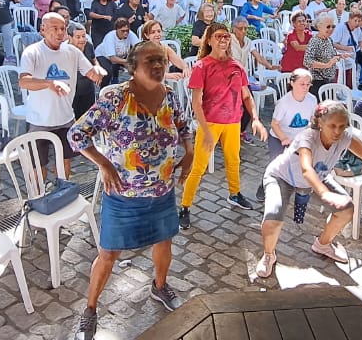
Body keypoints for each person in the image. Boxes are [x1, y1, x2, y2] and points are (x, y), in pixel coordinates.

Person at [69, 41, 192, 339]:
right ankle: (90, 309)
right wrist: (103, 164)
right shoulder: (116, 98)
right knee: (108, 254)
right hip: (123, 196)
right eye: (151, 60)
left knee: (164, 242)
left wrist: (188, 152)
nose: (159, 65)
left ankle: (159, 287)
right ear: (133, 66)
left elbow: (184, 125)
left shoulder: (170, 95)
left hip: (162, 192)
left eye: (162, 59)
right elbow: (77, 135)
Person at [255, 100, 362, 276]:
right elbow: (307, 169)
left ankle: (323, 244)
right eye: (333, 126)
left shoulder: (345, 137)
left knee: (347, 209)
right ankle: (269, 255)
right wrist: (325, 194)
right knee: (273, 218)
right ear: (321, 123)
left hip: (317, 177)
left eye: (342, 126)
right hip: (282, 177)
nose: (338, 131)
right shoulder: (307, 137)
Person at [179, 23, 268, 228]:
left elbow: (247, 96)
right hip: (210, 122)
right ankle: (185, 206)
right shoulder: (202, 66)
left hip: (233, 121)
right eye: (218, 36)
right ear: (209, 40)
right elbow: (196, 103)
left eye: (226, 36)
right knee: (199, 167)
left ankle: (235, 194)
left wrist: (255, 118)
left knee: (233, 160)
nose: (223, 40)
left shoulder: (237, 66)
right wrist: (206, 129)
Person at [20, 13, 105, 179]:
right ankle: (40, 197)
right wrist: (49, 83)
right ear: (42, 29)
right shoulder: (32, 52)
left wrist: (97, 72)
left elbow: (90, 72)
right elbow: (24, 82)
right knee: (38, 163)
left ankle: (63, 191)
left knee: (65, 160)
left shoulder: (72, 52)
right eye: (55, 28)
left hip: (65, 117)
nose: (60, 33)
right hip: (39, 120)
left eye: (63, 29)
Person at [266, 69, 317, 160]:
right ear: (292, 83)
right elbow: (274, 124)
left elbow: (313, 119)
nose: (305, 87)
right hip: (279, 137)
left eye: (308, 84)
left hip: (299, 138)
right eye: (302, 84)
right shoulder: (283, 103)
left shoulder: (312, 99)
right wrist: (285, 139)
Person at [304, 15, 343, 95]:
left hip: (329, 81)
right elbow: (307, 61)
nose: (331, 29)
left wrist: (340, 55)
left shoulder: (329, 39)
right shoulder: (315, 41)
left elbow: (332, 53)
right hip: (317, 83)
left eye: (333, 26)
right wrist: (326, 65)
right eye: (328, 27)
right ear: (319, 27)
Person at [69, 23, 101, 120]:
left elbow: (93, 59)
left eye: (83, 36)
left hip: (88, 87)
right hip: (73, 90)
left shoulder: (88, 46)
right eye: (78, 37)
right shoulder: (66, 51)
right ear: (70, 37)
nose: (82, 40)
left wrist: (98, 68)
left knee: (89, 117)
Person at [96, 18, 140, 87]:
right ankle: (103, 88)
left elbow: (139, 46)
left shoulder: (130, 34)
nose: (125, 33)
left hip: (120, 55)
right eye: (123, 31)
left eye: (127, 31)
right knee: (108, 72)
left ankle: (117, 82)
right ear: (116, 30)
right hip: (103, 56)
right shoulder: (110, 37)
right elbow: (112, 58)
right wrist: (127, 62)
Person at [332, 10, 362, 87]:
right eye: (355, 21)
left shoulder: (358, 29)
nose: (357, 23)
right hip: (341, 58)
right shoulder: (341, 28)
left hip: (352, 58)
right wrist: (346, 48)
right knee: (340, 80)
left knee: (349, 82)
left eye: (359, 21)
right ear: (349, 19)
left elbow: (360, 40)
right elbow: (333, 43)